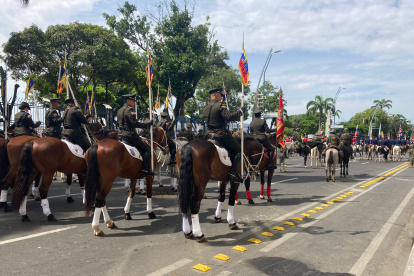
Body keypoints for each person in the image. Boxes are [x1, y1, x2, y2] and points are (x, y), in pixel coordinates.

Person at [203, 88, 245, 182]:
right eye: (221, 95)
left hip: (208, 134)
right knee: (239, 151)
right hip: (220, 134)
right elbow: (228, 117)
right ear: (216, 95)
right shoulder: (220, 105)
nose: (222, 97)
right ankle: (233, 174)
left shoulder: (206, 108)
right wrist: (240, 112)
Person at [117, 94, 154, 176]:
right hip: (130, 135)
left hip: (120, 135)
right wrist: (147, 124)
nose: (135, 102)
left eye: (135, 101)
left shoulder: (119, 110)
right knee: (148, 149)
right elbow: (134, 123)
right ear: (128, 101)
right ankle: (145, 169)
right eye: (133, 101)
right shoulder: (130, 110)